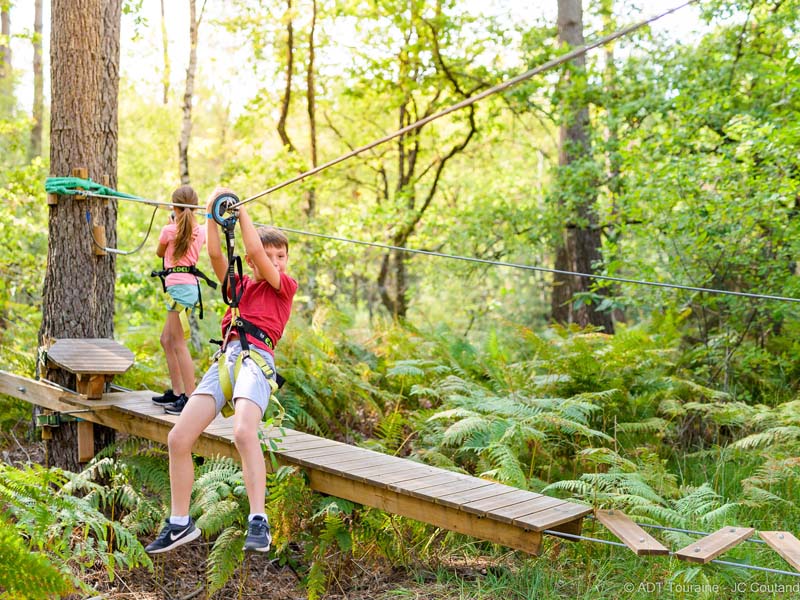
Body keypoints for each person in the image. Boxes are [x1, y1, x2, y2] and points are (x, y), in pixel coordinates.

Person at [144, 187, 298, 555]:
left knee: (244, 432)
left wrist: (241, 212)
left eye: (281, 256)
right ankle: (180, 523)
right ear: (251, 262)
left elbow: (256, 252)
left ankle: (258, 520)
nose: (275, 262)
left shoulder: (283, 288)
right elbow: (214, 254)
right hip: (226, 361)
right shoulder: (239, 286)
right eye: (270, 257)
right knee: (178, 438)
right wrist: (213, 215)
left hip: (256, 361)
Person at [151, 185, 208, 414]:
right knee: (166, 339)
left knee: (178, 342)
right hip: (184, 289)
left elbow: (159, 253)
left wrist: (171, 224)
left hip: (180, 290)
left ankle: (190, 397)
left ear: (174, 207)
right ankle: (176, 392)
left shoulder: (169, 230)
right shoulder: (201, 231)